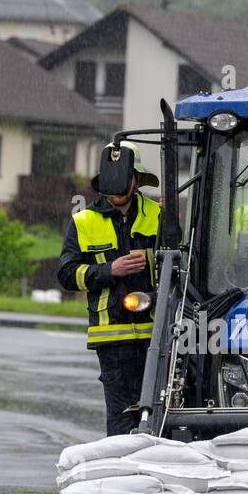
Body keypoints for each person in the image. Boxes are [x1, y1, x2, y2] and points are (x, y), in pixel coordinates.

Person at [57, 141, 162, 435]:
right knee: (120, 420)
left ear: (136, 180)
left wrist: (154, 266)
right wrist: (108, 270)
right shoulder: (83, 221)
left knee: (157, 416)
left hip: (156, 337)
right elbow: (66, 274)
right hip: (111, 339)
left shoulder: (159, 216)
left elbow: (180, 269)